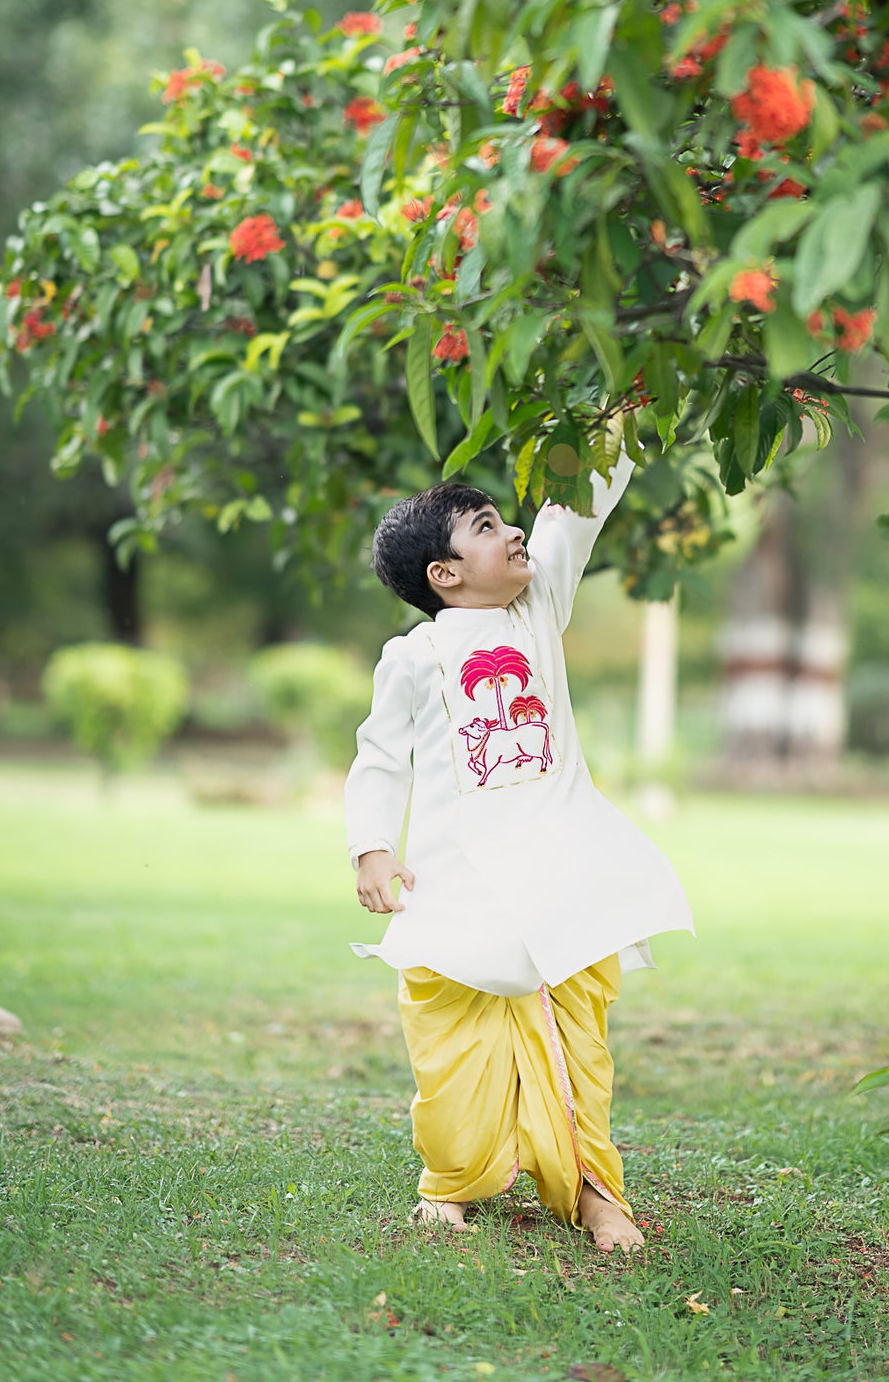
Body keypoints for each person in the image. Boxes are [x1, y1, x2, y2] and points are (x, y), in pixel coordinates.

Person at [345, 442, 694, 1252]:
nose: (512, 535)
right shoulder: (413, 657)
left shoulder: (537, 614)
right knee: (451, 1046)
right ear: (446, 575)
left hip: (559, 879)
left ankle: (598, 1195)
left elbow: (573, 514)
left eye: (507, 520)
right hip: (457, 890)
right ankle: (451, 1181)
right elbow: (379, 757)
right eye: (487, 525)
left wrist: (607, 425)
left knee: (579, 1043)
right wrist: (371, 849)